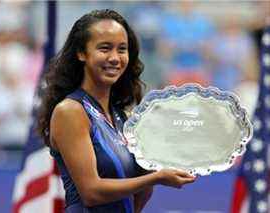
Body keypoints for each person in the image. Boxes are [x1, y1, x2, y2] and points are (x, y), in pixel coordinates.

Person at [37, 9, 196, 213]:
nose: (115, 58)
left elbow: (136, 199)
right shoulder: (70, 111)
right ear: (81, 53)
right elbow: (91, 192)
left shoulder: (123, 116)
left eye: (122, 49)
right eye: (105, 48)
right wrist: (157, 177)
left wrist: (154, 166)